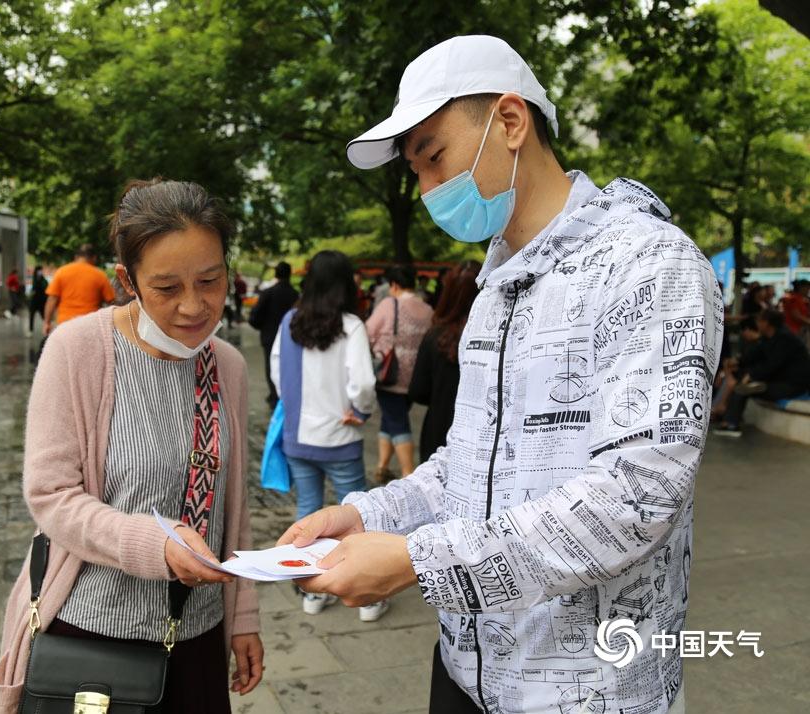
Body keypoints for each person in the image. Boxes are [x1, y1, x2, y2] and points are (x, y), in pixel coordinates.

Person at [278, 36, 721, 714]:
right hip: (464, 672)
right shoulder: (495, 290)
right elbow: (470, 462)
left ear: (510, 123)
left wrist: (418, 564)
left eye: (435, 157)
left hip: (590, 694)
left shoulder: (650, 266)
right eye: (415, 172)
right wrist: (365, 512)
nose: (427, 190)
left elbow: (638, 497)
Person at [0, 178, 263, 713]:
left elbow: (233, 507)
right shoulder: (78, 350)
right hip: (91, 636)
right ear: (128, 280)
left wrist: (243, 617)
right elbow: (50, 496)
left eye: (210, 280)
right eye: (167, 288)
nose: (194, 306)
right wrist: (154, 544)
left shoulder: (225, 364)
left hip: (197, 633)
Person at [269, 250, 384, 621]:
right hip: (341, 436)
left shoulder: (290, 321)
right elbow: (364, 381)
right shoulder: (350, 324)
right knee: (357, 515)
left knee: (309, 514)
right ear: (345, 282)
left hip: (299, 437)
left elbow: (276, 372)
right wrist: (361, 410)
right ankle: (366, 600)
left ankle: (312, 594)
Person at [365, 263, 434, 482]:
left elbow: (367, 332)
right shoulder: (427, 309)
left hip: (389, 376)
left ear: (393, 284)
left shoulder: (389, 304)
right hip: (415, 378)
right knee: (391, 419)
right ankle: (382, 467)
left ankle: (409, 474)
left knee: (398, 422)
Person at [408, 260, 481, 462]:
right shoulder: (494, 336)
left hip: (438, 430)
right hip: (482, 435)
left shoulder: (435, 336)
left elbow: (418, 391)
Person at [714, 309, 810, 437]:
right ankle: (727, 416)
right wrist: (737, 361)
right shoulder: (769, 338)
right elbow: (754, 355)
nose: (757, 323)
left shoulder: (785, 339)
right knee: (742, 379)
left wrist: (752, 375)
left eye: (759, 320)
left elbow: (773, 365)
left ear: (766, 323)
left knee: (744, 389)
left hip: (792, 385)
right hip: (778, 380)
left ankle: (731, 424)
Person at [248, 261, 299, 408]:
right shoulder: (295, 295)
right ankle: (286, 394)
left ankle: (274, 395)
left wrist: (263, 326)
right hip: (293, 336)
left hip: (270, 336)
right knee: (290, 366)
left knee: (271, 366)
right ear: (289, 274)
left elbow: (255, 317)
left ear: (276, 274)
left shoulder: (268, 293)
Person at [42, 244, 115, 336]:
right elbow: (111, 302)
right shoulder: (100, 275)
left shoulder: (62, 272)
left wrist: (47, 322)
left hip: (65, 324)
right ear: (94, 258)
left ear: (76, 257)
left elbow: (52, 300)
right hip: (91, 325)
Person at [781, 279, 810, 346]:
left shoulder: (800, 298)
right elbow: (796, 316)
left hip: (799, 329)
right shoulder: (793, 298)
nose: (808, 290)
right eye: (807, 288)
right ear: (801, 288)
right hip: (794, 330)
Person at [26, 266, 49, 337]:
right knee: (32, 315)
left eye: (40, 271)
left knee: (44, 317)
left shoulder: (43, 280)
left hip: (41, 301)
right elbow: (33, 289)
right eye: (39, 271)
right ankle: (30, 330)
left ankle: (46, 330)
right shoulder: (34, 279)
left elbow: (46, 289)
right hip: (34, 301)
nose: (40, 272)